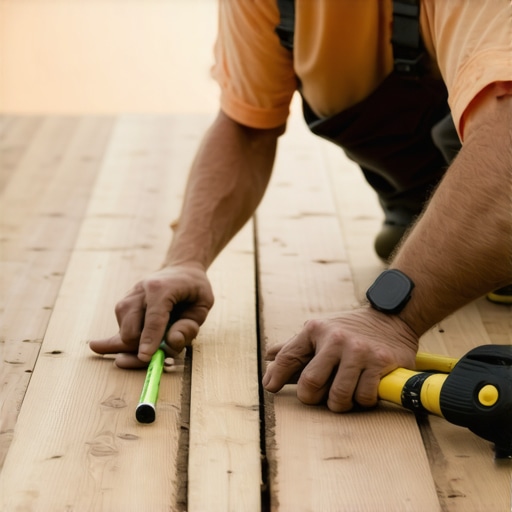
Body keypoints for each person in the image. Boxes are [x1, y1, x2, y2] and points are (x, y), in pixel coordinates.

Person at [90, 0, 512, 413]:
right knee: (404, 246)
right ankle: (453, 241)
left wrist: (390, 315)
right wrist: (185, 260)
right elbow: (247, 125)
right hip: (424, 192)